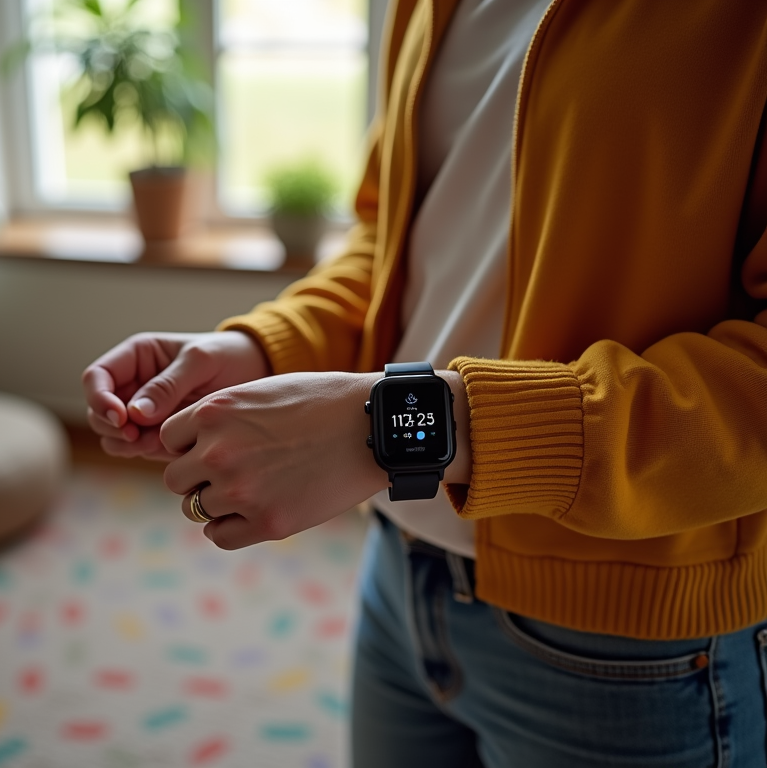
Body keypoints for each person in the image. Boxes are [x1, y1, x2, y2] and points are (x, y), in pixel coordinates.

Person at [83, 0, 767, 764]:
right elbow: (393, 240)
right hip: (402, 567)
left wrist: (388, 427)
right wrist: (259, 348)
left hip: (633, 642)